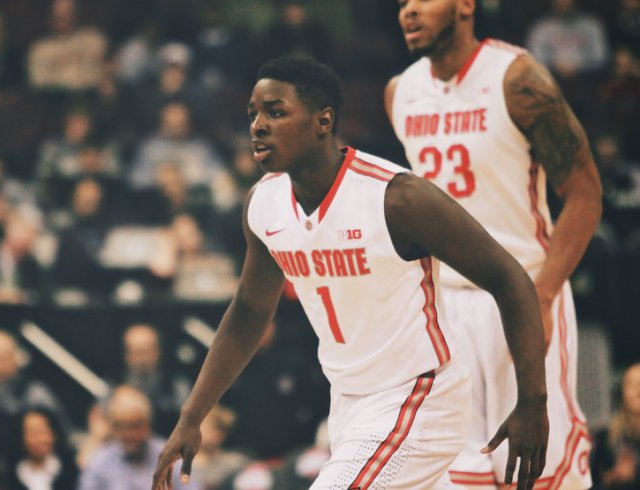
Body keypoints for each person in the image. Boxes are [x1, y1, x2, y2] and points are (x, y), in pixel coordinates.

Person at [153, 56, 549, 490]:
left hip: (418, 395)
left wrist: (532, 400)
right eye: (253, 114)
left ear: (323, 121)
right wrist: (192, 416)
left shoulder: (397, 197)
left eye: (275, 112)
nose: (258, 125)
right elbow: (248, 311)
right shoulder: (263, 204)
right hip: (347, 403)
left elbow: (509, 278)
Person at [387, 1, 603, 487]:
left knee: (542, 473)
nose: (408, 11)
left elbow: (586, 196)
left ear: (465, 4)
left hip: (523, 291)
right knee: (458, 474)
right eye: (401, 3)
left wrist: (543, 295)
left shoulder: (518, 77)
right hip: (445, 308)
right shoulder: (399, 92)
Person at [0, 329, 69, 489]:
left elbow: (63, 437)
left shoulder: (36, 394)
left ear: (16, 357)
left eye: (2, 357)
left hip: (35, 476)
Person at [79, 386, 198, 490]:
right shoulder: (100, 462)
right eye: (122, 427)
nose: (129, 434)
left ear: (148, 425)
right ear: (114, 428)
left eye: (135, 426)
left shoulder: (170, 458)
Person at [590, 362, 640, 489]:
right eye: (633, 384)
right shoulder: (606, 437)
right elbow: (592, 482)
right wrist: (613, 477)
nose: (638, 389)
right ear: (622, 391)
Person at [14, 408, 79, 490]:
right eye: (34, 433)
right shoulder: (13, 475)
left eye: (43, 431)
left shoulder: (70, 469)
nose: (40, 439)